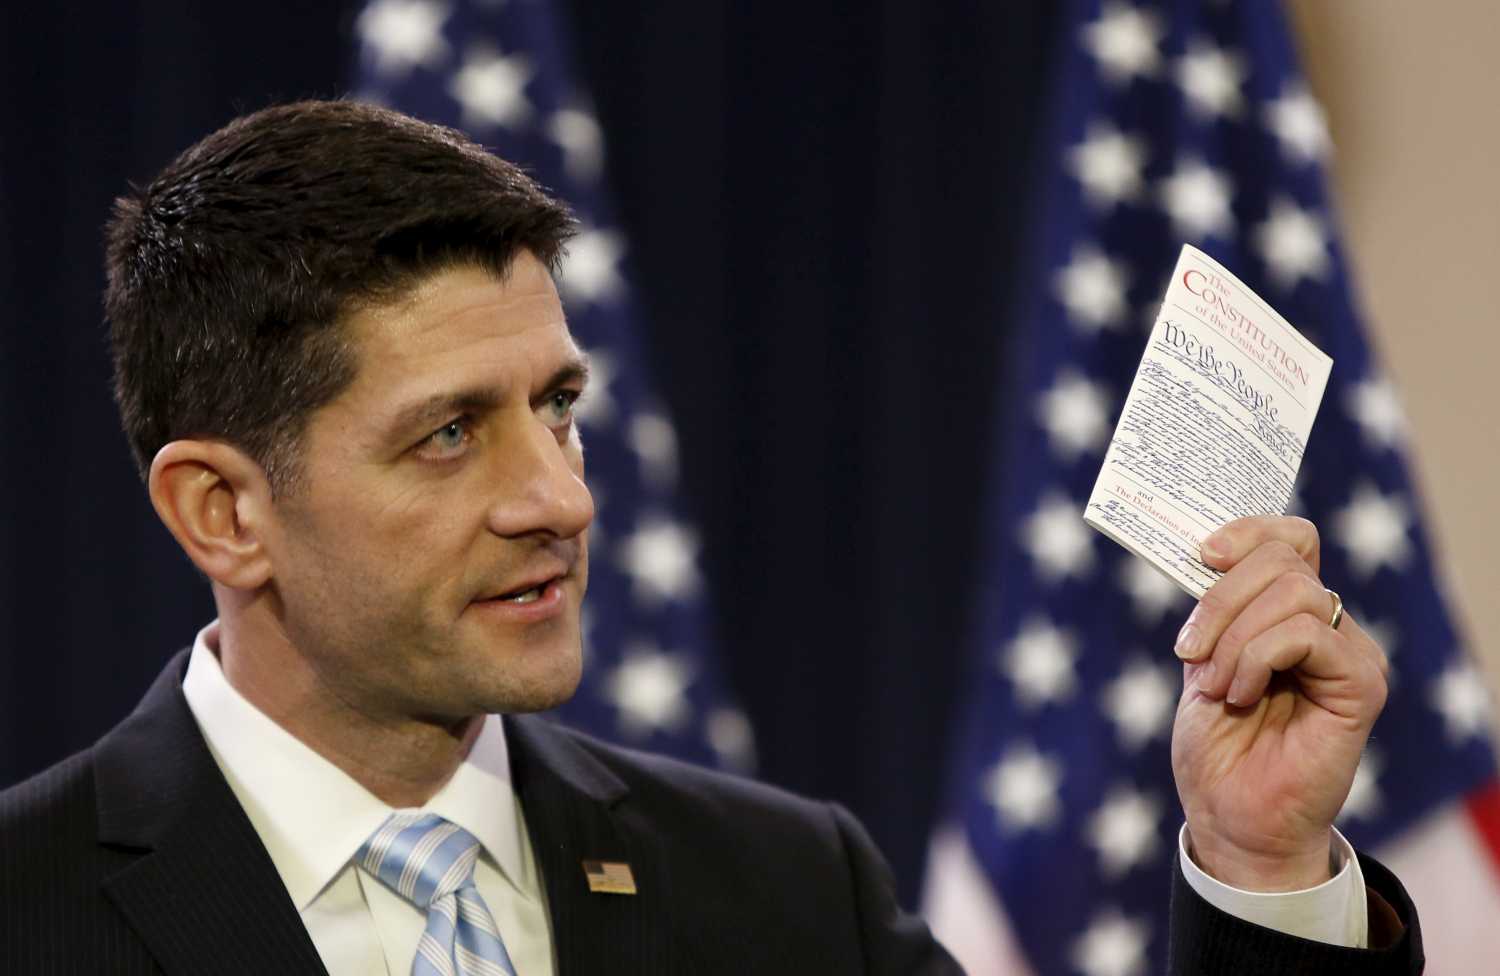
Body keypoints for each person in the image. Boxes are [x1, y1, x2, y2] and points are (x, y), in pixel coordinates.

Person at [0, 100, 1420, 975]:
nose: (557, 497)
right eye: (448, 434)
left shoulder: (791, 899)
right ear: (222, 510)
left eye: (557, 408)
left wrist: (1259, 868)